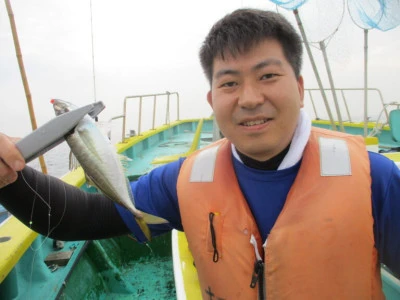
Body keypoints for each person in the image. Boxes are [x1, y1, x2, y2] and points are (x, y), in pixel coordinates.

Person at [0, 8, 399, 299]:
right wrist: (9, 177)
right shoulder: (186, 180)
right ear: (212, 98)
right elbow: (75, 218)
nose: (249, 98)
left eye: (268, 76)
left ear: (299, 86)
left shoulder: (373, 178)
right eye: (229, 83)